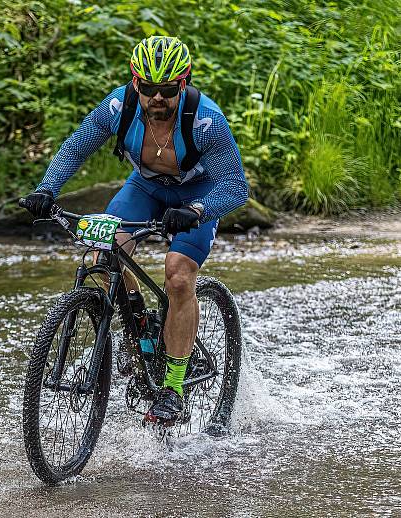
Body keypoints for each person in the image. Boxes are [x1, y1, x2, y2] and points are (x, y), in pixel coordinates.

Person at [22, 36, 248, 426]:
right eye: (147, 88)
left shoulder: (207, 120)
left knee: (178, 276)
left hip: (196, 197)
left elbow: (235, 186)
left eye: (167, 89)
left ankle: (174, 388)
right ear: (134, 82)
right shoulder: (119, 106)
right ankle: (139, 323)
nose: (156, 98)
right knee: (101, 249)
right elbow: (76, 147)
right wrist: (47, 188)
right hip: (143, 187)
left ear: (184, 83)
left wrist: (197, 209)